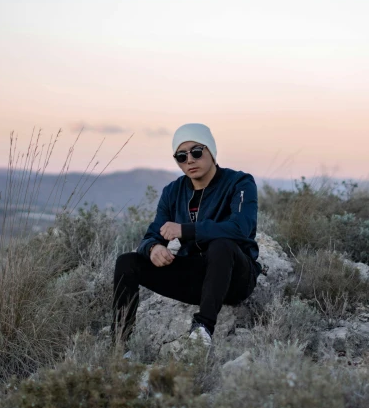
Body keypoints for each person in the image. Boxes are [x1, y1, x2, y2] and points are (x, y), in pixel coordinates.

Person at [112, 123, 261, 348]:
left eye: (197, 152)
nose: (190, 160)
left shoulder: (239, 182)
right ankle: (118, 344)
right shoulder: (173, 192)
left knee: (221, 245)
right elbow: (151, 236)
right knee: (127, 262)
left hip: (234, 278)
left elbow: (240, 228)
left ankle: (202, 331)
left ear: (211, 151)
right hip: (196, 280)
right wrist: (154, 249)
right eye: (181, 156)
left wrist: (186, 230)